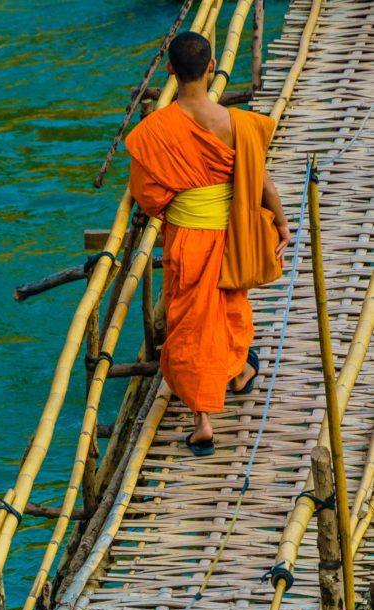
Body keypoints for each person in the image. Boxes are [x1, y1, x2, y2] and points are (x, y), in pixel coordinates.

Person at [125, 31, 290, 455]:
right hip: (231, 236)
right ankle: (236, 374)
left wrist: (180, 199)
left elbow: (148, 195)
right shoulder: (238, 124)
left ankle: (202, 419)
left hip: (187, 240)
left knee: (190, 318)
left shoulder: (155, 130)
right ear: (212, 68)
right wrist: (284, 223)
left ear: (170, 72)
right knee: (229, 306)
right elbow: (259, 181)